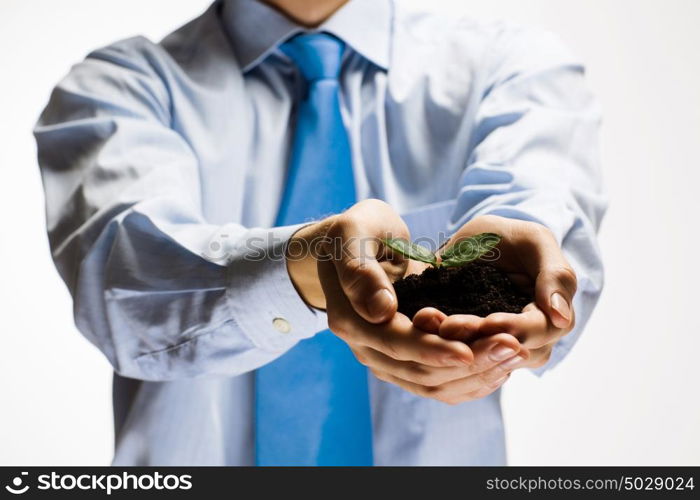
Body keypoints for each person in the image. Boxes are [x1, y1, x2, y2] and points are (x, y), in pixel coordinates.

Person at [34, 0, 606, 465]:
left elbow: (538, 196)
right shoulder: (117, 89)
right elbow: (123, 283)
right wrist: (310, 266)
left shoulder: (509, 67)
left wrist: (523, 279)